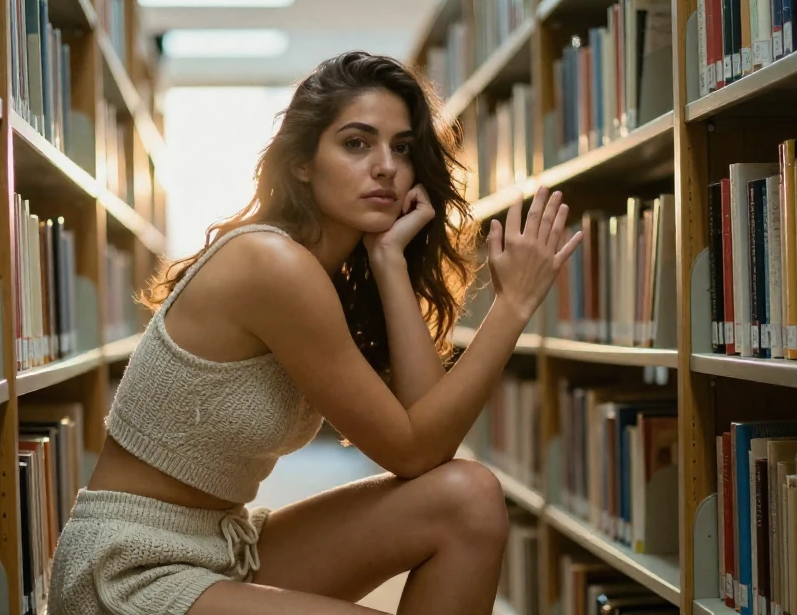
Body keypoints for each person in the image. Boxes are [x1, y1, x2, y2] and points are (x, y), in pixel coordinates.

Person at [48, 51, 583, 615]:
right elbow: (414, 450)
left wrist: (390, 261)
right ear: (301, 162)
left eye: (401, 147)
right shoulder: (273, 264)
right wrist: (513, 306)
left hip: (222, 545)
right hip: (129, 569)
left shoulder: (330, 273)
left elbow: (430, 443)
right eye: (356, 143)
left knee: (469, 498)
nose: (386, 167)